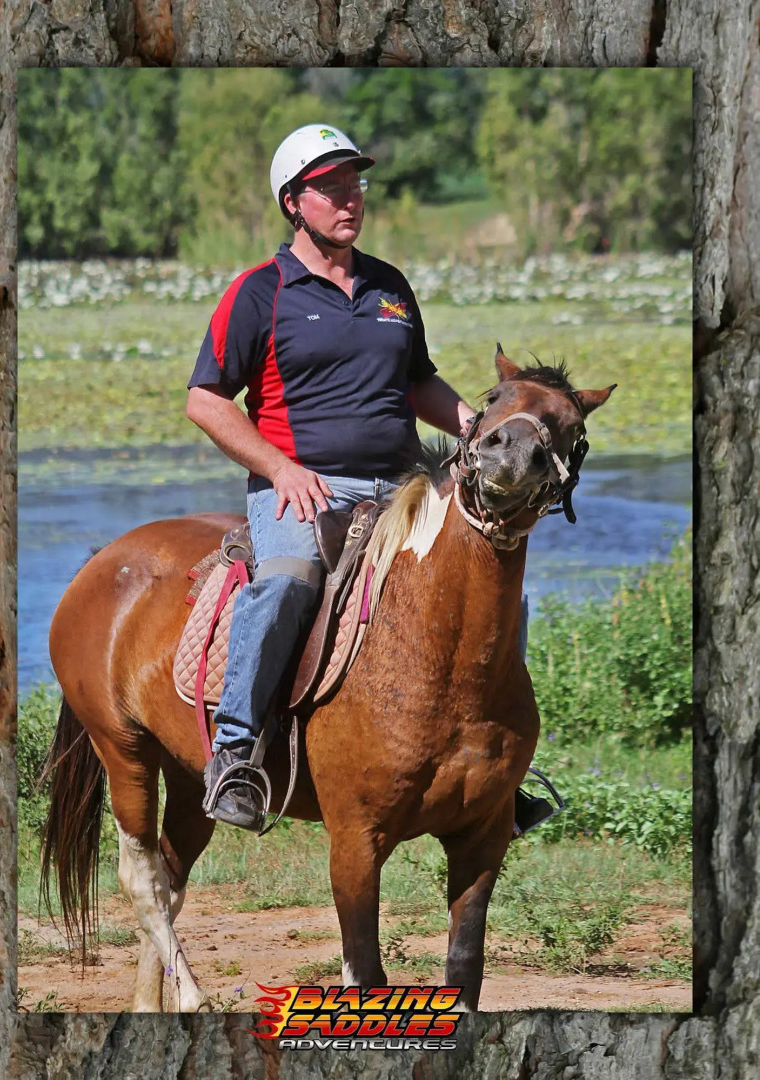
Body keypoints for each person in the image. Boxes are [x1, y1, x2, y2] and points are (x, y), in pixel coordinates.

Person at [186, 123, 552, 834]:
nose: (349, 199)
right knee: (289, 582)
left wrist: (476, 432)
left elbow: (418, 383)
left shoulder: (389, 286)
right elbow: (205, 400)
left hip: (406, 485)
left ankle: (502, 766)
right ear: (294, 202)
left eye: (355, 184)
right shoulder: (259, 293)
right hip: (305, 484)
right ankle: (235, 752)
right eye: (331, 188)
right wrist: (280, 468)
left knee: (494, 581)